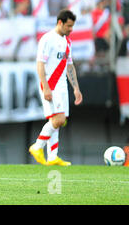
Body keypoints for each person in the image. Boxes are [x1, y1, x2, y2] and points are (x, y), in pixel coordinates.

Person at [29, 9, 83, 166]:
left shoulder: (67, 42)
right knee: (58, 119)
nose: (71, 29)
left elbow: (69, 67)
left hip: (62, 86)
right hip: (50, 84)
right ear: (60, 22)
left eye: (72, 26)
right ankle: (37, 146)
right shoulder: (47, 39)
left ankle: (52, 156)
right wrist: (45, 87)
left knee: (59, 120)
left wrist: (76, 88)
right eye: (69, 26)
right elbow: (40, 64)